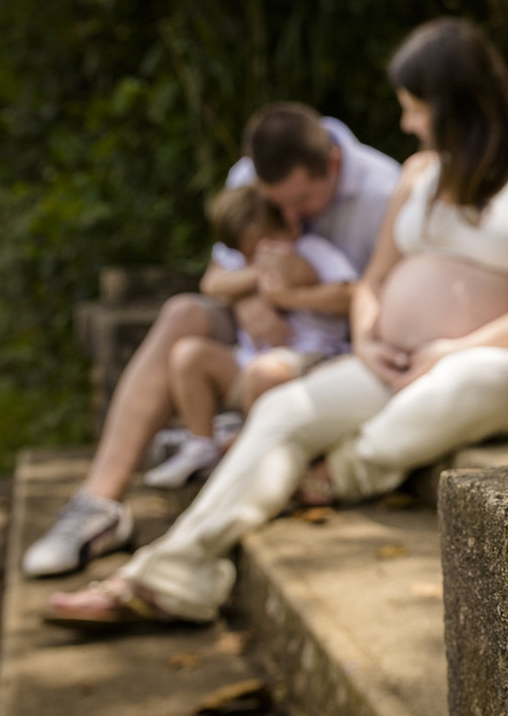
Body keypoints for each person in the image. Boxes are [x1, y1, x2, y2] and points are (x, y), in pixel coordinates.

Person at [43, 16, 508, 627]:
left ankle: (340, 471)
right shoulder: (419, 173)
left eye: (414, 109)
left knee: (468, 381)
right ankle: (170, 574)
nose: (407, 124)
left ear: (455, 103)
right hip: (394, 358)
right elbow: (375, 280)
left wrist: (460, 346)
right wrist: (366, 338)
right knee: (283, 411)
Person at [22, 103, 401, 577]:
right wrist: (251, 299)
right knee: (182, 315)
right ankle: (98, 504)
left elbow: (382, 299)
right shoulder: (249, 174)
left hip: (337, 349)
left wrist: (296, 294)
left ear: (334, 165)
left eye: (301, 201)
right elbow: (217, 277)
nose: (288, 218)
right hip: (259, 337)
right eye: (275, 203)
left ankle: (229, 450)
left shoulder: (387, 188)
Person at [143, 185, 359, 489]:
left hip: (307, 362)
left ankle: (245, 451)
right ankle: (203, 444)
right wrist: (255, 276)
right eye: (250, 252)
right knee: (188, 355)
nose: (262, 254)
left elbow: (349, 295)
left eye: (268, 243)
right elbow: (213, 284)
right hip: (247, 365)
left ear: (287, 226)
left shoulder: (313, 250)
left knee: (265, 373)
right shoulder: (248, 266)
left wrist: (290, 296)